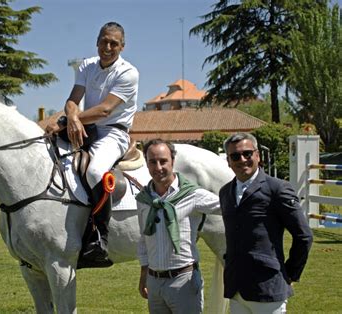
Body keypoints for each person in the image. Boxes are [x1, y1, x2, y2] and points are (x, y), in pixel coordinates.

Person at [46, 22, 139, 267]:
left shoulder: (128, 72)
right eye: (104, 41)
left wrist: (68, 121)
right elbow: (72, 100)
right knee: (49, 148)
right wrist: (69, 118)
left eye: (114, 44)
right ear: (97, 41)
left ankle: (99, 238)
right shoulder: (86, 65)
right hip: (84, 125)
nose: (108, 47)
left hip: (114, 132)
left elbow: (105, 110)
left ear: (122, 46)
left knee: (96, 171)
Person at [219, 132, 313, 314]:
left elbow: (304, 236)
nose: (242, 159)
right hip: (236, 290)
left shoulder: (277, 189)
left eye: (247, 153)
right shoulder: (225, 193)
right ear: (228, 161)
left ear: (258, 155)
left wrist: (291, 274)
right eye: (235, 156)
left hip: (268, 287)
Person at [136, 139, 221, 314]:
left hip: (184, 282)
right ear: (146, 163)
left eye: (163, 161)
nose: (158, 167)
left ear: (173, 161)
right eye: (152, 162)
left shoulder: (192, 195)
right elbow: (144, 239)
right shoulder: (144, 199)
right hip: (154, 282)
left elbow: (229, 206)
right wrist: (144, 273)